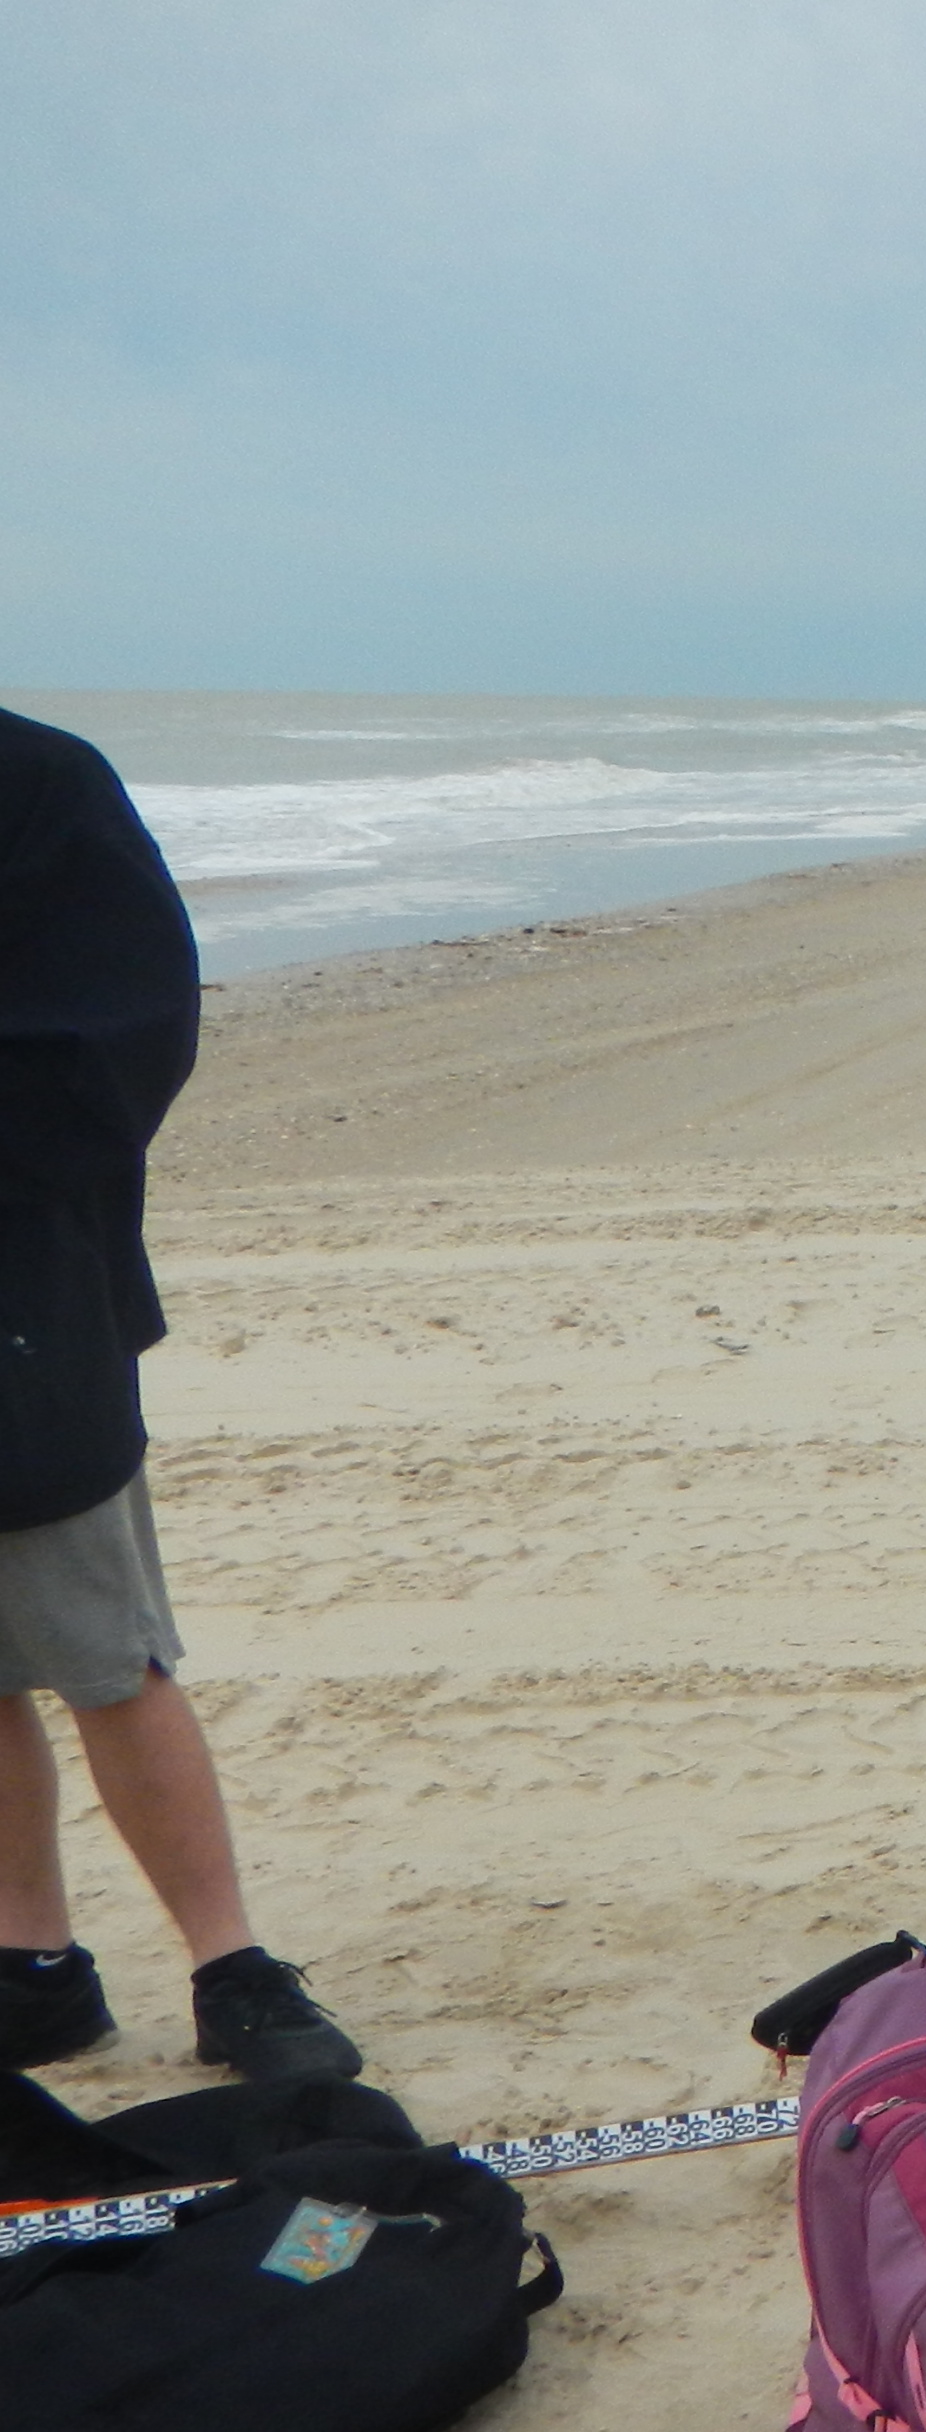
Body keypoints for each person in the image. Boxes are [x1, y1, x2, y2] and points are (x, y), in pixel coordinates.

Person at [0, 705, 359, 2084]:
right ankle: (32, 1965)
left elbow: (124, 1035)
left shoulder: (36, 781)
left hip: (21, 1293)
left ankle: (231, 1967)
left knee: (104, 1648)